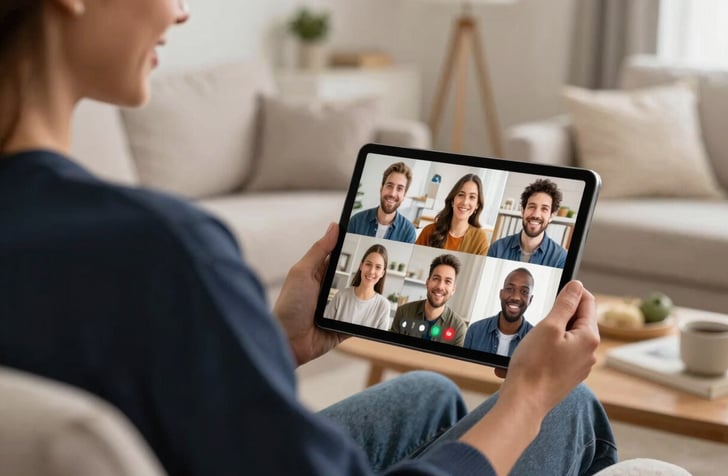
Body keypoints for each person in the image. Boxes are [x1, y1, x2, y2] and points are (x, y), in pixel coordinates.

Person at [0, 1, 620, 475]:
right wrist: (529, 396)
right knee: (565, 406)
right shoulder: (163, 248)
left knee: (428, 393)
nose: (182, 12)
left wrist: (275, 344)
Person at [488, 178, 568, 268]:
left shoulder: (560, 258)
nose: (536, 215)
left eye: (544, 209)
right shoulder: (497, 249)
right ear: (523, 211)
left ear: (551, 216)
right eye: (532, 207)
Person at [390, 254, 467, 346]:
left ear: (453, 289)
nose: (440, 286)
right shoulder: (403, 312)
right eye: (436, 279)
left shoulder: (458, 328)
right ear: (427, 283)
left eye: (447, 281)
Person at [465, 268, 535, 356]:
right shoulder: (475, 331)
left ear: (530, 300)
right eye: (510, 289)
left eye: (524, 291)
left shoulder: (537, 340)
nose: (515, 297)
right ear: (501, 294)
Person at [416, 173, 489, 255]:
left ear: (477, 205)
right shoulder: (429, 231)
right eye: (461, 195)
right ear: (452, 201)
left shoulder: (480, 240)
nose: (465, 202)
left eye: (472, 197)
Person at [324, 244, 391, 330]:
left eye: (378, 267)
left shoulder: (384, 306)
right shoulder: (341, 296)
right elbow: (324, 329)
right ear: (361, 266)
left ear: (382, 273)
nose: (371, 271)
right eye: (368, 264)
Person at [347, 161, 417, 243]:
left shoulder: (409, 232)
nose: (392, 194)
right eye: (389, 186)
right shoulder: (356, 221)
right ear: (381, 188)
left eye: (399, 188)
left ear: (404, 194)